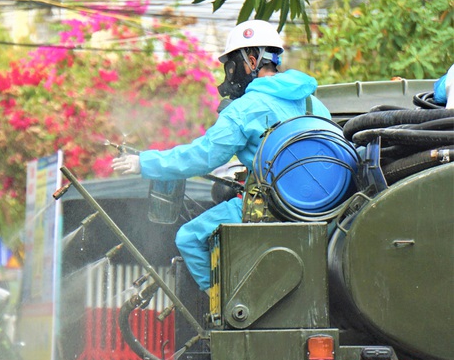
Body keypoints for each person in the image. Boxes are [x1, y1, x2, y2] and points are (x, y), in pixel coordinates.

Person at [112, 19, 331, 292]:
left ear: (252, 60)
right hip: (323, 212)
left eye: (232, 66)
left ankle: (225, 309)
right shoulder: (314, 104)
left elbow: (203, 156)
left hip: (270, 210)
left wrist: (144, 163)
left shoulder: (245, 109)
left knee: (189, 238)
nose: (230, 75)